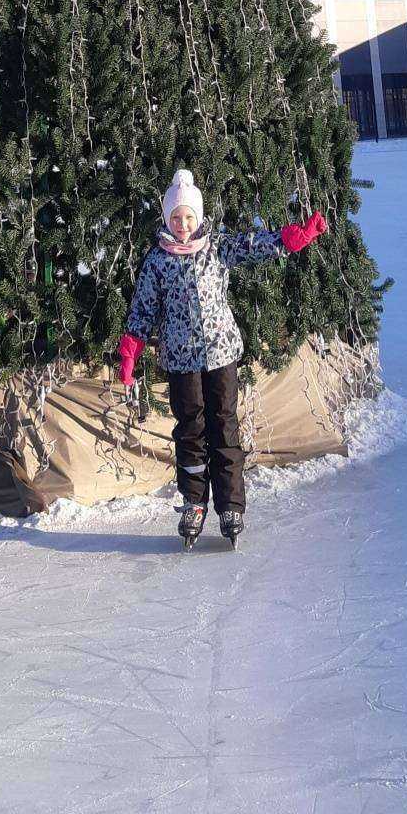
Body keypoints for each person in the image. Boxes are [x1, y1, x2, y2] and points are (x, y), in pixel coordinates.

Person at [116, 167, 327, 548]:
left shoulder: (216, 247)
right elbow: (143, 307)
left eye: (188, 217)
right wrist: (131, 347)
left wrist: (291, 238)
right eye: (176, 218)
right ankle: (194, 502)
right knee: (191, 430)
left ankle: (230, 504)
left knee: (224, 424)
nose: (182, 225)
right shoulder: (157, 261)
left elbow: (253, 245)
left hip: (221, 354)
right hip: (181, 361)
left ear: (198, 218)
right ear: (167, 219)